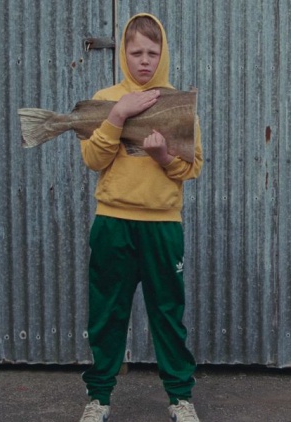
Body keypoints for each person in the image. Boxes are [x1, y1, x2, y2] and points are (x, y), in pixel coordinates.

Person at [77, 13, 203, 422]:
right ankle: (98, 399)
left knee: (167, 313)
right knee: (107, 313)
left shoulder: (178, 103)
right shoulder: (106, 98)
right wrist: (117, 116)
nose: (145, 60)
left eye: (152, 52)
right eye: (136, 53)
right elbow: (93, 159)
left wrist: (163, 156)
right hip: (113, 223)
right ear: (124, 55)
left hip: (163, 225)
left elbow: (193, 167)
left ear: (163, 53)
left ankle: (180, 399)